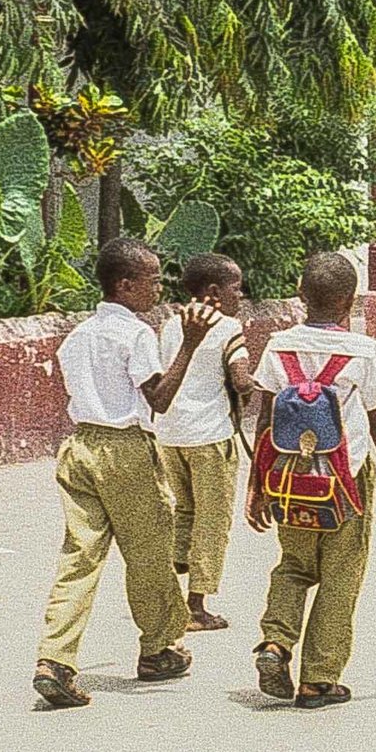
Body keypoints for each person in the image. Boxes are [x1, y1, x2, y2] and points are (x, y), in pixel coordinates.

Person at [32, 238, 207, 709]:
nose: (158, 287)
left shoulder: (79, 336)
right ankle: (157, 648)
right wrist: (188, 345)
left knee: (80, 557)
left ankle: (55, 659)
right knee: (149, 552)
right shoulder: (135, 335)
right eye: (151, 279)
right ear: (125, 284)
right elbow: (159, 398)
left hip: (80, 444)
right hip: (126, 449)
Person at [246, 253, 376, 707]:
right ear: (349, 302)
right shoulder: (361, 351)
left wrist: (256, 486)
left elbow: (264, 419)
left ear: (301, 295)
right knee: (341, 576)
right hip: (346, 480)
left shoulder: (278, 346)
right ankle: (319, 678)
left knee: (294, 564)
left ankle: (276, 642)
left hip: (288, 477)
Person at [156, 252, 257, 633]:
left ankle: (171, 582)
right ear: (214, 291)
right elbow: (241, 379)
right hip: (210, 435)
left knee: (182, 512)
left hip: (170, 434)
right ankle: (196, 606)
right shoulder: (228, 326)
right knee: (212, 521)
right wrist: (255, 391)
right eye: (235, 287)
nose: (241, 294)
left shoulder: (169, 323)